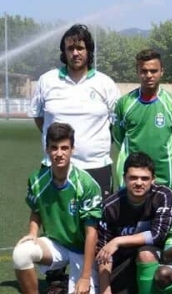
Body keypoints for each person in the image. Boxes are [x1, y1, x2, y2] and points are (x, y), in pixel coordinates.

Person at [11, 123, 103, 294]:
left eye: (64, 148)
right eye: (54, 148)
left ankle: (90, 284)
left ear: (72, 149)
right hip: (57, 244)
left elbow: (91, 234)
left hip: (82, 248)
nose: (59, 153)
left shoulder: (86, 184)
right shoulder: (37, 180)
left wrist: (85, 277)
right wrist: (33, 233)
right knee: (21, 254)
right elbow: (36, 208)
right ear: (47, 149)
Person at [29, 24, 120, 196]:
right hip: (55, 167)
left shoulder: (105, 83)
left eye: (80, 48)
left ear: (89, 51)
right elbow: (39, 118)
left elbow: (115, 123)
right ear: (64, 52)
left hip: (96, 166)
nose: (75, 53)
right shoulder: (47, 81)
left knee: (96, 222)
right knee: (56, 222)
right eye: (70, 48)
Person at [95, 152, 172, 294]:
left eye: (144, 178)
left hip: (157, 260)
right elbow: (102, 252)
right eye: (133, 178)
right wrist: (105, 290)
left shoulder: (163, 195)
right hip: (124, 265)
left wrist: (118, 240)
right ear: (124, 178)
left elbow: (158, 234)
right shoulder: (111, 205)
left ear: (153, 179)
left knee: (145, 253)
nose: (139, 183)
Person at [113, 49, 172, 192]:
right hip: (133, 181)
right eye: (144, 71)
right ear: (137, 72)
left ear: (161, 71)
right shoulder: (124, 104)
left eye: (153, 71)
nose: (149, 75)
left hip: (166, 181)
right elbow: (118, 138)